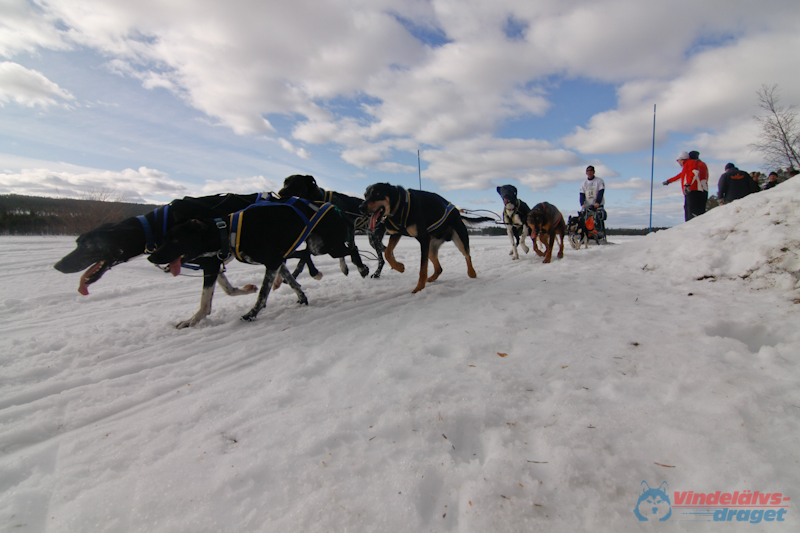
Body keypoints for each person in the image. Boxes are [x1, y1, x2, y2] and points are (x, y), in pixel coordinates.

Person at [662, 150, 709, 221]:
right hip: (694, 189)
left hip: (694, 189)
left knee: (693, 211)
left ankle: (692, 226)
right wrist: (669, 181)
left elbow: (694, 173)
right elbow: (682, 175)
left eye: (678, 161)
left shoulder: (695, 164)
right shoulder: (692, 164)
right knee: (689, 209)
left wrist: (688, 184)